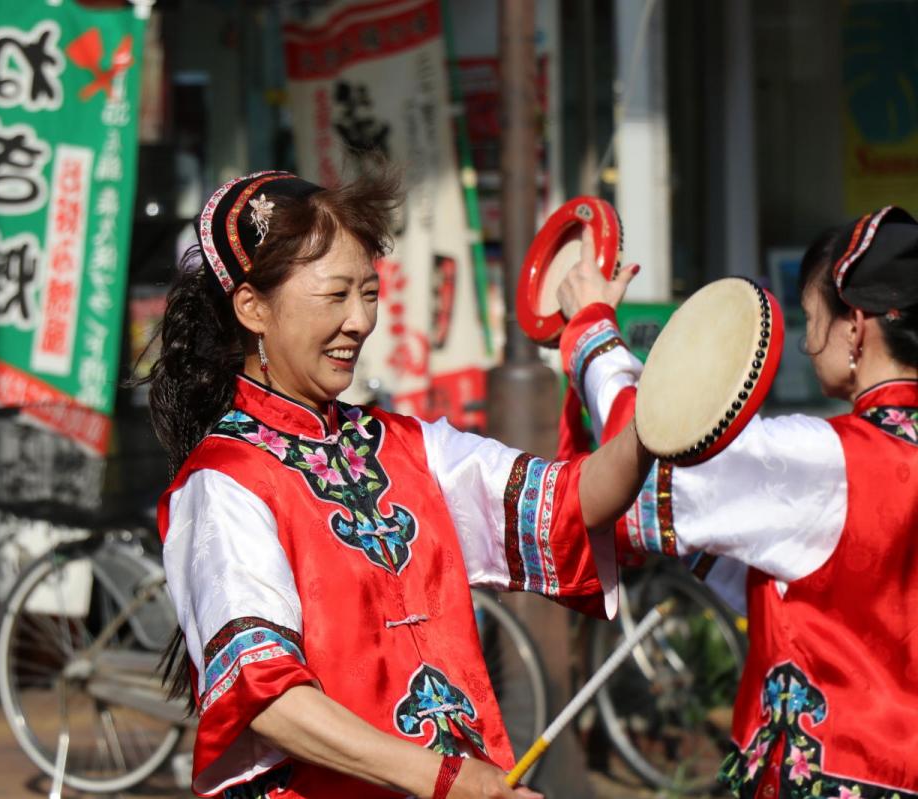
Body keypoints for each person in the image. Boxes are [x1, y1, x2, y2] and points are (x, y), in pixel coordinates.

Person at [147, 169, 652, 799]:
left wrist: (642, 412)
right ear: (253, 308)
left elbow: (570, 503)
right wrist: (447, 780)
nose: (360, 321)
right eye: (335, 296)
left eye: (368, 293)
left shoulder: (409, 447)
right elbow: (266, 696)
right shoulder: (225, 482)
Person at [555, 207, 918, 798]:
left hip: (840, 774)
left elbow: (657, 448)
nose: (807, 344)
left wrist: (594, 332)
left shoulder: (830, 461)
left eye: (813, 319)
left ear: (856, 326)